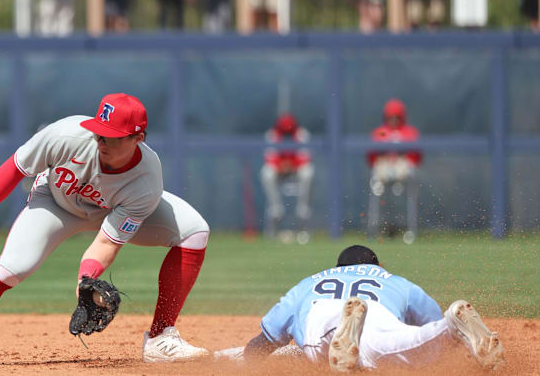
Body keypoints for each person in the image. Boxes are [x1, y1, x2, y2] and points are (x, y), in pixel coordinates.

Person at [0, 93, 210, 365]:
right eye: (99, 133)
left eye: (112, 136)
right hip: (56, 203)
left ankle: (159, 338)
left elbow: (107, 242)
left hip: (110, 212)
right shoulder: (67, 135)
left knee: (194, 230)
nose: (101, 141)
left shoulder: (146, 182)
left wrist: (85, 280)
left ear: (137, 138)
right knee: (12, 268)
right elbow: (15, 168)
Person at [214, 245, 506, 372]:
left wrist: (250, 364)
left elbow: (264, 342)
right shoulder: (395, 281)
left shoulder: (309, 282)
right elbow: (426, 314)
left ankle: (341, 334)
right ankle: (449, 328)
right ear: (376, 267)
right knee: (408, 345)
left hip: (326, 314)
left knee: (322, 345)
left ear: (337, 268)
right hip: (379, 313)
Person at [367, 99, 422, 243]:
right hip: (384, 167)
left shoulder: (410, 132)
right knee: (377, 179)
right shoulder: (379, 132)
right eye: (391, 117)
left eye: (396, 117)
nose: (393, 120)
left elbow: (416, 157)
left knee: (406, 172)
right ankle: (375, 229)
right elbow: (372, 157)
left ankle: (409, 230)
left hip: (402, 168)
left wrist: (402, 163)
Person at [260, 113, 313, 243]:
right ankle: (276, 209)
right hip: (279, 170)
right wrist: (280, 165)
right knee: (267, 172)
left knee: (307, 172)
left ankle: (303, 210)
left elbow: (305, 157)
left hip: (296, 169)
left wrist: (292, 165)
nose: (286, 133)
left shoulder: (302, 134)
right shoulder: (272, 134)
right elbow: (269, 157)